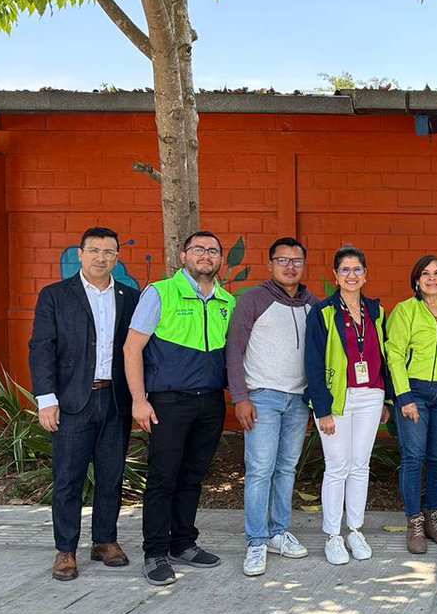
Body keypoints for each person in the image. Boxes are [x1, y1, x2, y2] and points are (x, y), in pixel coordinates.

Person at [124, 230, 235, 586]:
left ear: (221, 259)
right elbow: (131, 349)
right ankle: (155, 552)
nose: (206, 255)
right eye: (198, 249)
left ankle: (183, 542)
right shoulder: (160, 292)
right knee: (163, 478)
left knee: (192, 476)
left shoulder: (226, 302)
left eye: (213, 251)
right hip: (169, 403)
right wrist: (139, 401)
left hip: (211, 401)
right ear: (183, 256)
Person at [29, 227, 140, 581]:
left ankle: (105, 541)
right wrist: (47, 400)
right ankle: (66, 549)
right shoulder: (56, 296)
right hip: (73, 401)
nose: (101, 258)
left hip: (116, 399)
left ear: (117, 258)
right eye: (94, 250)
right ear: (80, 254)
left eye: (109, 252)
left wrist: (141, 398)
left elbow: (138, 350)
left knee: (111, 475)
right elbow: (42, 348)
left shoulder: (130, 297)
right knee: (68, 479)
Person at [225, 237, 318, 578]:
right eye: (283, 260)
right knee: (260, 469)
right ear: (270, 264)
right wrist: (240, 397)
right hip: (261, 397)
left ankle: (279, 532)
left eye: (296, 261)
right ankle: (256, 541)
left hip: (298, 401)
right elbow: (233, 350)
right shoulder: (253, 300)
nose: (290, 266)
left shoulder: (313, 304)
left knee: (286, 469)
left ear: (304, 265)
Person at [304, 246, 391, 566]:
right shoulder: (323, 312)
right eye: (345, 270)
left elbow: (386, 357)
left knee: (360, 465)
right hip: (337, 397)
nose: (351, 276)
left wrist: (388, 398)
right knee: (337, 466)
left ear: (365, 275)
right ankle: (333, 535)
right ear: (335, 276)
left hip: (371, 395)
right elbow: (312, 364)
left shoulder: (376, 311)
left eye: (357, 270)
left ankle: (354, 529)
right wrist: (322, 409)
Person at [385, 255, 437, 554]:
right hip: (415, 391)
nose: (432, 278)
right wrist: (404, 396)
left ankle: (433, 519)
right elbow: (394, 354)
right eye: (425, 273)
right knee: (413, 456)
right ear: (416, 281)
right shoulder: (405, 311)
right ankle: (414, 523)